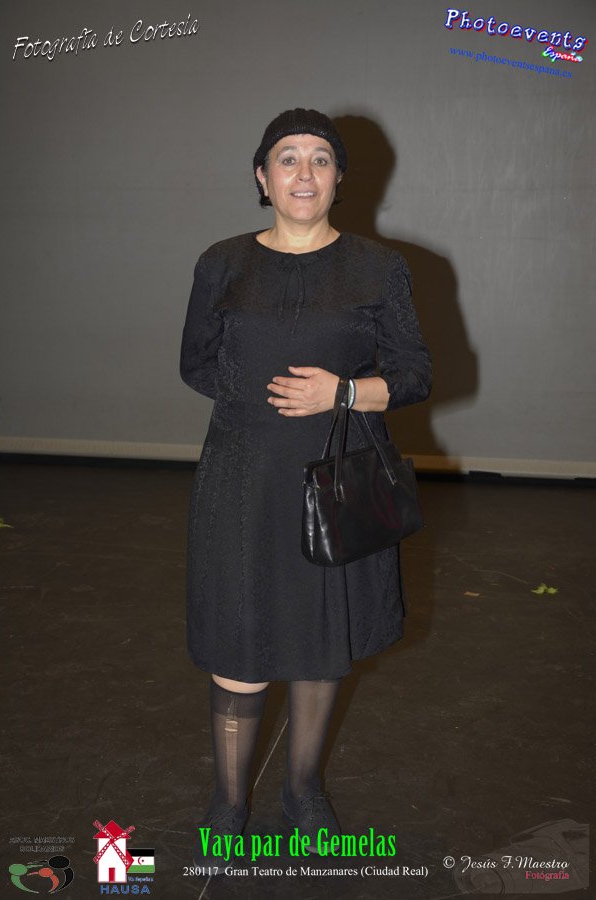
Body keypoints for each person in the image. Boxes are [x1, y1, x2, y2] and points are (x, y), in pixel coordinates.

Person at [180, 108, 431, 862]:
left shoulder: (378, 268)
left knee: (322, 641)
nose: (303, 172)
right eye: (287, 157)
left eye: (320, 158)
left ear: (338, 179)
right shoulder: (222, 262)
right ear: (262, 177)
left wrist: (341, 395)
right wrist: (255, 410)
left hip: (336, 481)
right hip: (242, 482)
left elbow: (414, 375)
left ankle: (302, 789)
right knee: (240, 637)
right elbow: (196, 362)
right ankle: (229, 801)